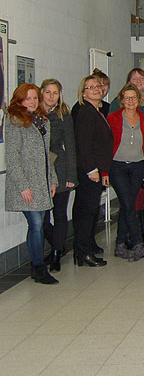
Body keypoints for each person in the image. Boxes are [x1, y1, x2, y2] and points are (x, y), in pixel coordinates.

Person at [5, 84, 58, 284]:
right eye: (28, 98)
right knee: (36, 224)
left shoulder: (42, 120)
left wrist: (52, 179)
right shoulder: (14, 120)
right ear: (19, 100)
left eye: (35, 98)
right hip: (26, 183)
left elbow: (47, 156)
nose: (32, 102)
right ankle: (39, 267)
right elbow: (12, 158)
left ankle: (36, 266)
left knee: (37, 225)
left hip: (41, 182)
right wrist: (22, 186)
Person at [73, 75, 113, 267]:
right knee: (87, 212)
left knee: (90, 211)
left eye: (98, 86)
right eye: (91, 87)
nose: (96, 89)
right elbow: (83, 145)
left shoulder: (97, 111)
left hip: (96, 170)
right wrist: (92, 170)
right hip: (89, 172)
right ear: (84, 92)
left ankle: (85, 249)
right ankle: (84, 253)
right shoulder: (86, 113)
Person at [107, 83, 144, 262]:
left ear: (139, 100)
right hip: (117, 166)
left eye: (134, 97)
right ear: (122, 100)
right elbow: (106, 145)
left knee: (128, 204)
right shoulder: (113, 118)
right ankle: (138, 243)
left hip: (137, 166)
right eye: (127, 98)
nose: (131, 101)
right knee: (129, 204)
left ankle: (119, 244)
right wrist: (104, 171)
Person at [40, 79, 77, 273]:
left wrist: (72, 174)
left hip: (60, 169)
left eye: (55, 93)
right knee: (43, 219)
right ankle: (58, 245)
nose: (51, 96)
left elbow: (70, 147)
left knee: (60, 213)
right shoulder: (34, 114)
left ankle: (55, 254)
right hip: (39, 171)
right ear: (42, 93)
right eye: (48, 92)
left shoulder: (64, 115)